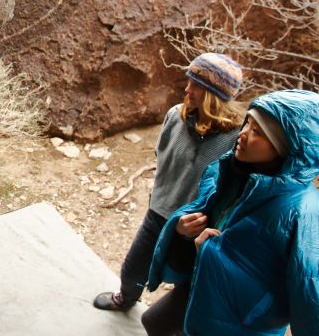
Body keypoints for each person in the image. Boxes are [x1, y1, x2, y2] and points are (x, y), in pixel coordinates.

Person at [144, 89, 319, 336]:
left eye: (257, 131)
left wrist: (210, 250)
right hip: (201, 285)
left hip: (240, 321)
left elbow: (308, 291)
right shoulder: (231, 170)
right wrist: (182, 230)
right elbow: (207, 214)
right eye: (248, 122)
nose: (243, 133)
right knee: (154, 323)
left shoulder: (302, 210)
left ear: (285, 147)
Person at [93, 53, 244, 311]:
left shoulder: (234, 138)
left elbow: (233, 187)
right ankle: (127, 297)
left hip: (196, 224)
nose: (187, 89)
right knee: (133, 268)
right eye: (189, 81)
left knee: (184, 280)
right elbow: (161, 154)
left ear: (213, 95)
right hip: (159, 212)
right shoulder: (176, 115)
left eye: (196, 84)